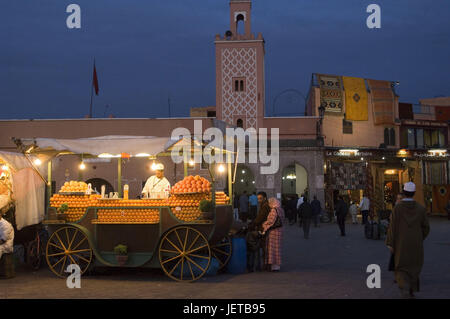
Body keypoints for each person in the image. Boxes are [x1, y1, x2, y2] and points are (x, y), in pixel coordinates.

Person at [386, 182, 430, 298]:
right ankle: (411, 289)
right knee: (414, 266)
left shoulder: (397, 208)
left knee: (401, 267)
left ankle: (404, 290)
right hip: (416, 244)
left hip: (400, 244)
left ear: (404, 193)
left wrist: (390, 243)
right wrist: (419, 237)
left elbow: (392, 227)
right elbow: (426, 228)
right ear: (414, 193)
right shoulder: (420, 209)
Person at [248, 192, 271, 271]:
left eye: (260, 198)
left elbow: (260, 218)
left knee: (261, 248)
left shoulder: (265, 207)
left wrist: (252, 224)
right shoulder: (263, 205)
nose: (259, 200)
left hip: (263, 229)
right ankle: (262, 265)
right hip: (263, 228)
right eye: (258, 199)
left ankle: (263, 265)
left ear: (265, 198)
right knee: (263, 248)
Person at [262, 198, 285, 272]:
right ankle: (277, 266)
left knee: (272, 249)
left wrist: (264, 225)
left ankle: (273, 266)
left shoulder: (273, 210)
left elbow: (271, 221)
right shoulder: (280, 209)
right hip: (279, 231)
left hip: (273, 232)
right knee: (277, 248)